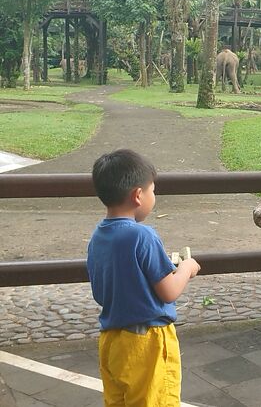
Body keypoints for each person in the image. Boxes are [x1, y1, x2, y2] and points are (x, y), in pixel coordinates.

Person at [87, 149, 201, 406]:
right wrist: (186, 268)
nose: (154, 196)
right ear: (138, 195)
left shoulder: (98, 236)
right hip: (146, 342)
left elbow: (100, 291)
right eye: (153, 190)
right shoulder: (143, 235)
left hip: (112, 342)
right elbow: (169, 292)